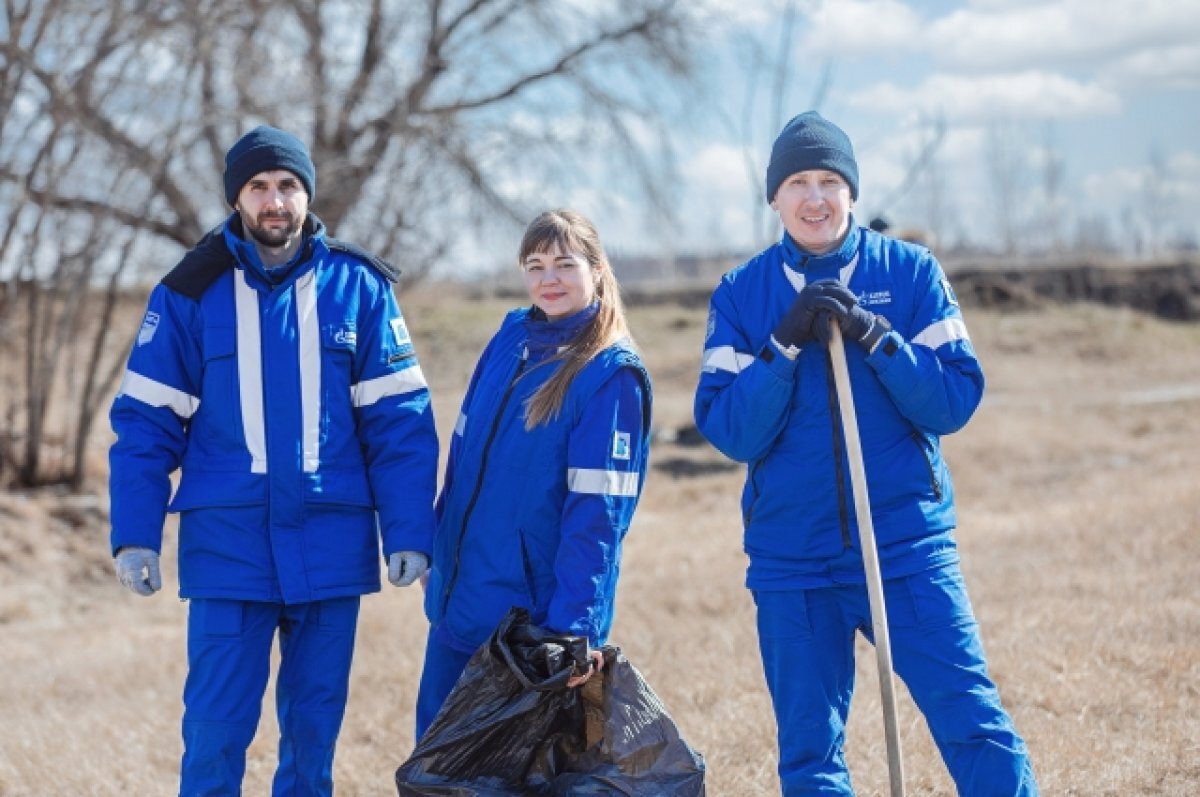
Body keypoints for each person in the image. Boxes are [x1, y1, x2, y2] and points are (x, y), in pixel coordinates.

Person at [694, 111, 1038, 795]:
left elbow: (953, 400)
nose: (815, 198)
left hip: (906, 547)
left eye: (829, 180)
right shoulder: (743, 293)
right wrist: (782, 347)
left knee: (974, 721)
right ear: (774, 198)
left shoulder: (910, 273)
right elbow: (731, 430)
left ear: (851, 192)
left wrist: (879, 337)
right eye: (797, 182)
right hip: (793, 558)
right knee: (810, 752)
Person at [108, 125, 439, 796]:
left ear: (306, 194)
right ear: (237, 199)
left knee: (313, 739)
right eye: (258, 187)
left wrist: (408, 532)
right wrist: (135, 533)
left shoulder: (359, 287)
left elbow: (399, 424)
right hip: (228, 548)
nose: (275, 201)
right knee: (213, 732)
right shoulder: (187, 291)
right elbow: (145, 425)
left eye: (287, 185)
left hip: (331, 543)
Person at [414, 209, 652, 739]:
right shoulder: (509, 338)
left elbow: (598, 518)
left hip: (529, 629)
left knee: (511, 778)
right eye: (535, 264)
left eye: (565, 264)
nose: (549, 279)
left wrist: (574, 631)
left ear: (597, 269)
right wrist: (438, 544)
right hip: (459, 604)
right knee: (434, 767)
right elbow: (462, 459)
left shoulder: (610, 375)